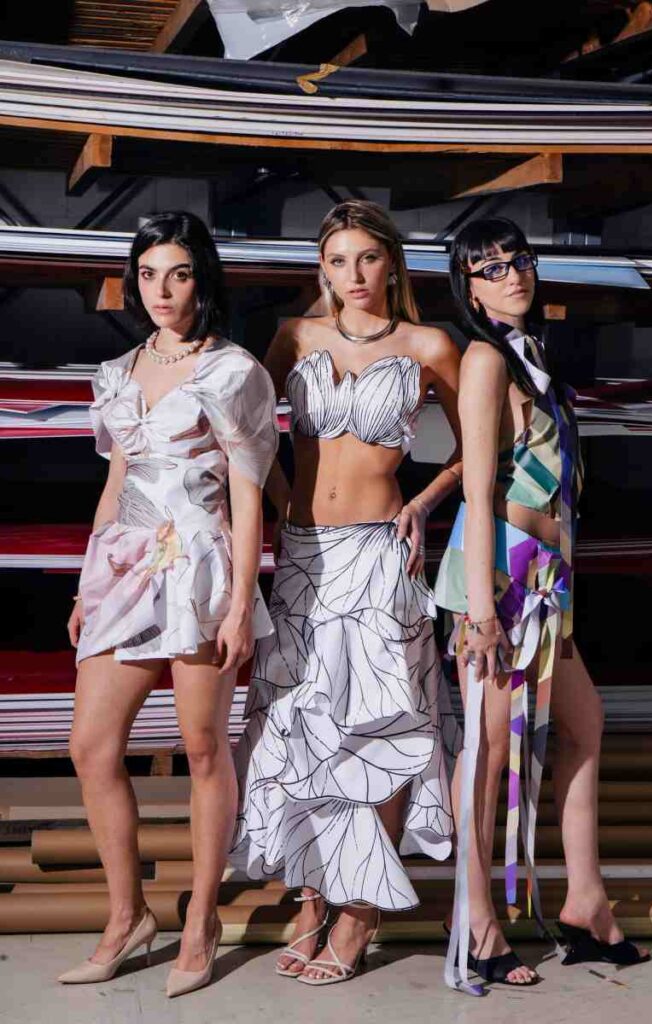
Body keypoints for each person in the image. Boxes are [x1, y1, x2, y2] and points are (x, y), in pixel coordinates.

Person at [231, 199, 462, 985]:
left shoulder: (428, 344)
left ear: (391, 262)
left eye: (367, 258)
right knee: (300, 727)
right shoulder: (295, 336)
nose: (353, 274)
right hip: (302, 555)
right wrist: (277, 500)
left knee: (379, 728)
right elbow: (245, 431)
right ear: (321, 269)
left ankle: (359, 913)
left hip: (377, 555)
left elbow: (480, 445)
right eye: (338, 261)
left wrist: (421, 503)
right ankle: (311, 895)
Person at [62, 211, 278, 997]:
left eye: (179, 274)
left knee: (202, 748)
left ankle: (201, 923)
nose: (162, 290)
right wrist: (87, 582)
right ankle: (128, 917)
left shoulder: (232, 371)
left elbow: (248, 497)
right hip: (124, 566)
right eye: (149, 274)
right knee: (91, 747)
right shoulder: (117, 371)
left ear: (201, 280)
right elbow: (116, 479)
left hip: (200, 567)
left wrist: (239, 604)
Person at [434, 216, 649, 994]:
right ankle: (477, 922)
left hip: (544, 578)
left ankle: (584, 904)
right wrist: (482, 608)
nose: (510, 274)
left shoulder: (530, 357)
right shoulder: (485, 358)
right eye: (489, 267)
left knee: (582, 724)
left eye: (517, 260)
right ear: (468, 289)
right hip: (498, 575)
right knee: (489, 749)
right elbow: (477, 487)